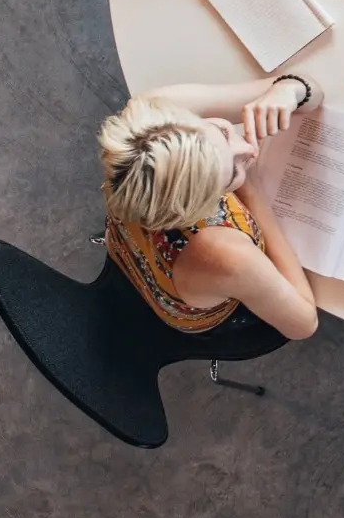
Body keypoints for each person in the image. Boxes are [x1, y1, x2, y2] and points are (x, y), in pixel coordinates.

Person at [97, 73, 321, 341]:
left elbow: (310, 90)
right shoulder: (224, 253)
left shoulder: (158, 111)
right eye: (231, 174)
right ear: (201, 207)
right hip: (194, 310)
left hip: (128, 244)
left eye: (223, 132)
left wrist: (288, 91)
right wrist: (252, 190)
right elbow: (304, 323)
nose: (248, 150)